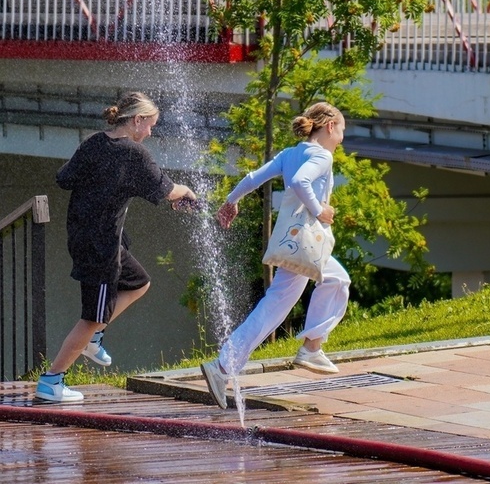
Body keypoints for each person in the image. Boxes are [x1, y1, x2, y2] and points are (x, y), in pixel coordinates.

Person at [35, 92, 198, 403]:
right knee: (92, 316)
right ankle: (52, 381)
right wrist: (187, 190)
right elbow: (166, 189)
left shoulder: (95, 142)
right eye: (150, 125)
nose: (150, 132)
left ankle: (94, 338)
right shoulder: (134, 154)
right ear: (137, 121)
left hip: (86, 236)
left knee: (138, 282)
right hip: (101, 246)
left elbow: (64, 178)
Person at [201, 102, 351, 409]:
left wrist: (231, 201)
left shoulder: (290, 153)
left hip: (291, 241)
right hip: (305, 244)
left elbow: (254, 177)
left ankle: (224, 367)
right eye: (342, 131)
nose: (342, 138)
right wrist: (319, 208)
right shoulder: (322, 156)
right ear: (330, 126)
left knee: (277, 305)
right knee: (337, 281)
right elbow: (301, 182)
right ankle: (311, 347)